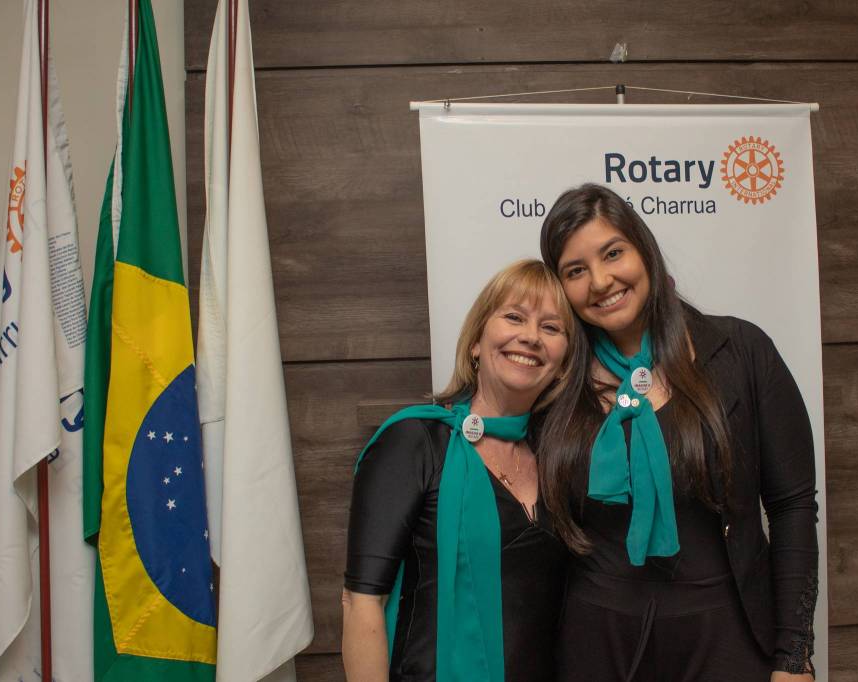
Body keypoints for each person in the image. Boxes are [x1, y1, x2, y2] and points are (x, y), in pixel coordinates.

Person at [538, 184, 818, 682]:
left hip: (725, 638)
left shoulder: (740, 350)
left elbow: (792, 505)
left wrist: (794, 657)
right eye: (575, 271)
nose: (600, 281)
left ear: (643, 250)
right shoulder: (556, 381)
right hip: (596, 642)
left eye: (613, 253)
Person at [342, 259, 579, 682]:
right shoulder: (415, 440)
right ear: (475, 343)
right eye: (514, 317)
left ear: (563, 362)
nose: (530, 336)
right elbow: (361, 602)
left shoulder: (560, 459)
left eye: (551, 327)